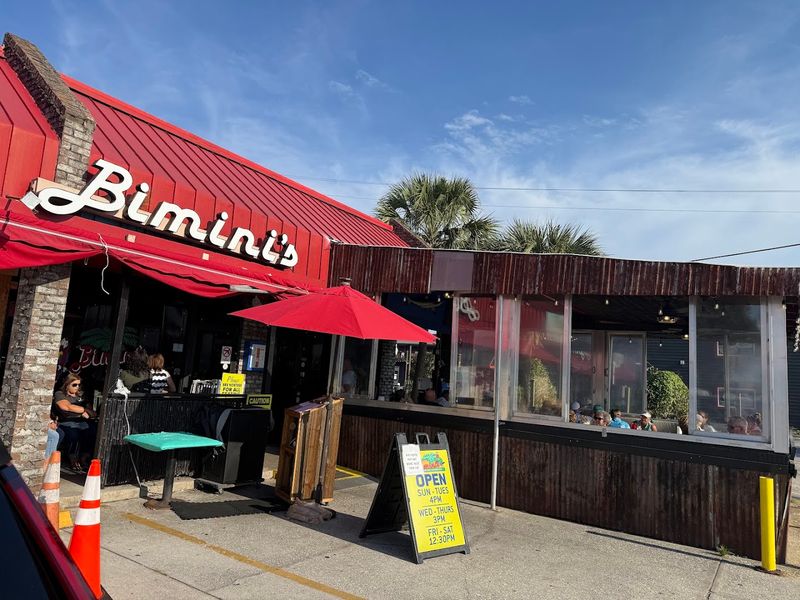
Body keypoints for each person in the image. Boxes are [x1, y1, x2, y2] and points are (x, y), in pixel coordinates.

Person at [51, 373, 96, 471]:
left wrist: (85, 411)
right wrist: (83, 410)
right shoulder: (60, 394)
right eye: (74, 385)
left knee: (92, 430)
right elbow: (66, 407)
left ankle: (84, 457)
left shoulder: (81, 396)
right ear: (67, 385)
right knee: (73, 434)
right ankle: (72, 458)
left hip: (81, 421)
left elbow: (92, 413)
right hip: (66, 421)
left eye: (79, 384)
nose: (77, 387)